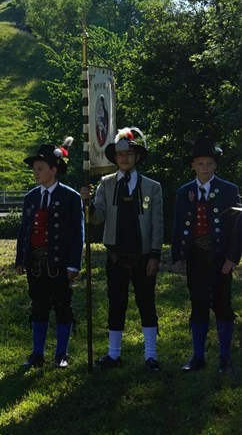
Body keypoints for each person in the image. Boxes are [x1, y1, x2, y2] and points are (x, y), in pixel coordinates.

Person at [81, 126, 163, 371]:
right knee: (116, 302)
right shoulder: (106, 185)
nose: (124, 158)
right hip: (116, 255)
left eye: (128, 154)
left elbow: (157, 224)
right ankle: (113, 354)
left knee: (146, 302)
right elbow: (98, 217)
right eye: (119, 155)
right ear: (115, 158)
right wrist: (88, 204)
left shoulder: (152, 187)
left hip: (143, 255)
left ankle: (151, 354)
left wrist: (155, 255)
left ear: (137, 156)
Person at [171, 137, 242, 374]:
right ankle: (198, 356)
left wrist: (233, 257)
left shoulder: (229, 190)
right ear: (193, 165)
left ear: (215, 165)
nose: (205, 167)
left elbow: (238, 226)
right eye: (200, 163)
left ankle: (225, 359)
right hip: (195, 256)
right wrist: (178, 255)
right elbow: (178, 224)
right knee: (198, 304)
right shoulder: (185, 192)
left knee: (222, 305)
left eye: (209, 163)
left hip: (221, 258)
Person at [15, 138, 84, 368]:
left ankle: (61, 353)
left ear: (54, 170)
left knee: (63, 305)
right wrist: (20, 260)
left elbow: (77, 233)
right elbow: (24, 231)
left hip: (60, 262)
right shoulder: (30, 198)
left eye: (41, 168)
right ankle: (37, 353)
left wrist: (74, 264)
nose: (36, 172)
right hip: (35, 262)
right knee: (38, 305)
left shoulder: (70, 197)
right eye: (35, 169)